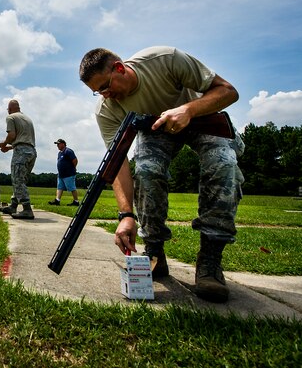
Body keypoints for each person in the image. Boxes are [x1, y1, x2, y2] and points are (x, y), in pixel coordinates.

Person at [79, 46, 244, 303]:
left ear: (119, 68)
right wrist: (126, 215)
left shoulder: (165, 59)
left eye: (105, 86)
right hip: (156, 131)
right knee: (146, 171)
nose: (104, 95)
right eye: (97, 91)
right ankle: (154, 251)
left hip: (200, 116)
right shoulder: (107, 109)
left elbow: (228, 91)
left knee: (223, 164)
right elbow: (118, 162)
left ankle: (210, 262)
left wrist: (188, 109)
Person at [0, 99, 37, 219]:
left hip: (20, 152)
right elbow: (23, 140)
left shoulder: (10, 117)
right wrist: (10, 147)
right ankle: (13, 205)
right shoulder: (27, 118)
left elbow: (12, 136)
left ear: (9, 109)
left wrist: (4, 144)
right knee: (21, 180)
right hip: (31, 152)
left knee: (17, 180)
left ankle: (27, 209)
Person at [48, 139, 80, 206]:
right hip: (61, 175)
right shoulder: (60, 153)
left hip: (69, 174)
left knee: (72, 188)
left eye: (58, 144)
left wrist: (72, 168)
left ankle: (76, 201)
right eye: (57, 144)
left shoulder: (68, 151)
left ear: (63, 144)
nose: (57, 146)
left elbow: (75, 160)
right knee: (60, 187)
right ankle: (57, 200)